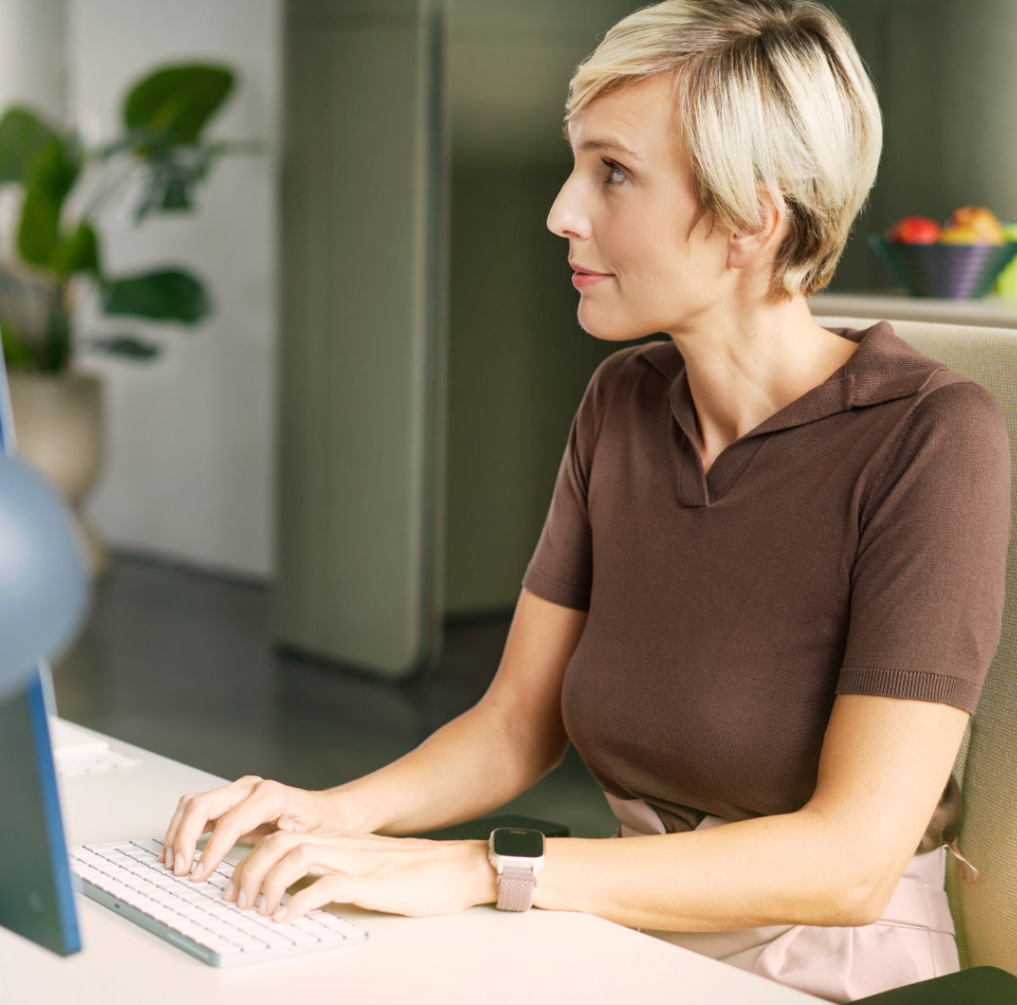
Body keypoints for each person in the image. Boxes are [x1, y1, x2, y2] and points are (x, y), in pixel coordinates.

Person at [161, 1, 1012, 1000]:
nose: (562, 211)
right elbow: (516, 722)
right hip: (617, 933)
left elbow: (849, 863)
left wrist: (481, 870)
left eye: (611, 172)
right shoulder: (624, 401)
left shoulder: (928, 437)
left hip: (819, 969)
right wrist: (327, 816)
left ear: (751, 217)